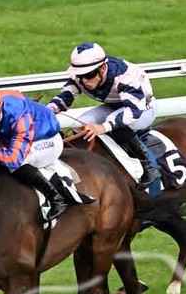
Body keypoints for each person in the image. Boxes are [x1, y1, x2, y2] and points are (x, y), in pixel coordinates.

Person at [48, 42, 160, 187]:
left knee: (113, 122)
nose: (84, 81)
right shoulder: (82, 75)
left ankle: (148, 166)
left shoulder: (125, 75)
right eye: (80, 76)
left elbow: (133, 111)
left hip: (142, 109)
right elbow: (66, 96)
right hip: (115, 106)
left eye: (89, 75)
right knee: (78, 125)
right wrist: (47, 111)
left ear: (102, 68)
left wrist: (102, 128)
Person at [0, 84, 72, 219]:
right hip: (16, 135)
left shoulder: (20, 120)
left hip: (47, 140)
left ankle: (56, 198)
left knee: (13, 164)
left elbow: (13, 159)